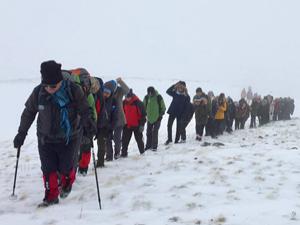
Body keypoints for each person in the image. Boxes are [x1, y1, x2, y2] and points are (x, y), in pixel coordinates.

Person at [13, 60, 96, 207]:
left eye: (53, 86)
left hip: (69, 138)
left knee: (66, 168)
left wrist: (88, 122)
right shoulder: (38, 92)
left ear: (60, 81)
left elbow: (84, 108)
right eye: (46, 85)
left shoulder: (73, 90)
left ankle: (67, 183)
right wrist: (21, 133)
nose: (49, 89)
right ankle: (51, 197)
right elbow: (29, 113)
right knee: (48, 169)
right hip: (45, 139)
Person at [121, 89, 146, 157]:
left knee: (139, 140)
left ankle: (142, 152)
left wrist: (142, 125)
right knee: (124, 141)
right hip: (127, 125)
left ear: (131, 96)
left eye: (128, 97)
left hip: (137, 126)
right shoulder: (124, 102)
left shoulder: (138, 103)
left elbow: (143, 115)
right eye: (126, 97)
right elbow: (122, 113)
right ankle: (124, 154)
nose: (127, 99)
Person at [143, 86, 166, 151]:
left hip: (157, 118)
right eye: (149, 93)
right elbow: (143, 106)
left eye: (151, 93)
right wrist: (143, 114)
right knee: (148, 132)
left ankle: (154, 146)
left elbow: (163, 107)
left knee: (155, 132)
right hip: (149, 118)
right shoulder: (146, 97)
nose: (150, 94)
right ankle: (148, 145)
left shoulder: (158, 97)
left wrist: (160, 116)